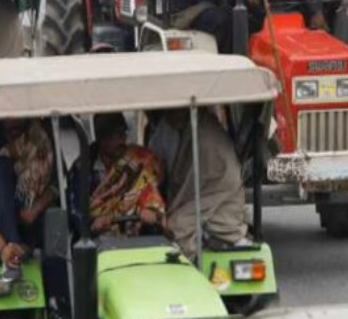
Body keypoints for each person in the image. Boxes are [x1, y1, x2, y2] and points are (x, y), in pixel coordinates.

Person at [148, 107, 250, 258]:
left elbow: (191, 185)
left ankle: (185, 272)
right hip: (209, 195)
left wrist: (166, 212)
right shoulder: (193, 130)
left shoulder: (203, 136)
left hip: (220, 201)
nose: (168, 120)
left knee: (176, 225)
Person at [0, 118, 57, 267]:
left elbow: (59, 183)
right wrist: (4, 248)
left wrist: (34, 209)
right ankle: (15, 244)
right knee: (0, 166)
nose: (13, 122)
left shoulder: (41, 139)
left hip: (32, 218)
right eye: (7, 117)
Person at [86, 113, 166, 235]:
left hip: (136, 231)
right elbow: (78, 210)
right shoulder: (85, 167)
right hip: (101, 239)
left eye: (124, 133)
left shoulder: (138, 158)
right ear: (101, 137)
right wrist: (94, 221)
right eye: (116, 134)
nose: (122, 139)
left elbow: (149, 188)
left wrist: (150, 209)